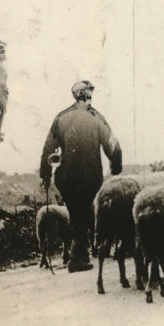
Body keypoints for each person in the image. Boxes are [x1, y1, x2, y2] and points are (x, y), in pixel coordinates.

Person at [40, 80, 122, 271]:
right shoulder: (96, 117)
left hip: (66, 177)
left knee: (76, 213)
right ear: (88, 95)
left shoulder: (61, 117)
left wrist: (45, 175)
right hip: (90, 176)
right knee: (83, 213)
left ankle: (79, 255)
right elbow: (113, 145)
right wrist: (115, 166)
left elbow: (48, 148)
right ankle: (78, 257)